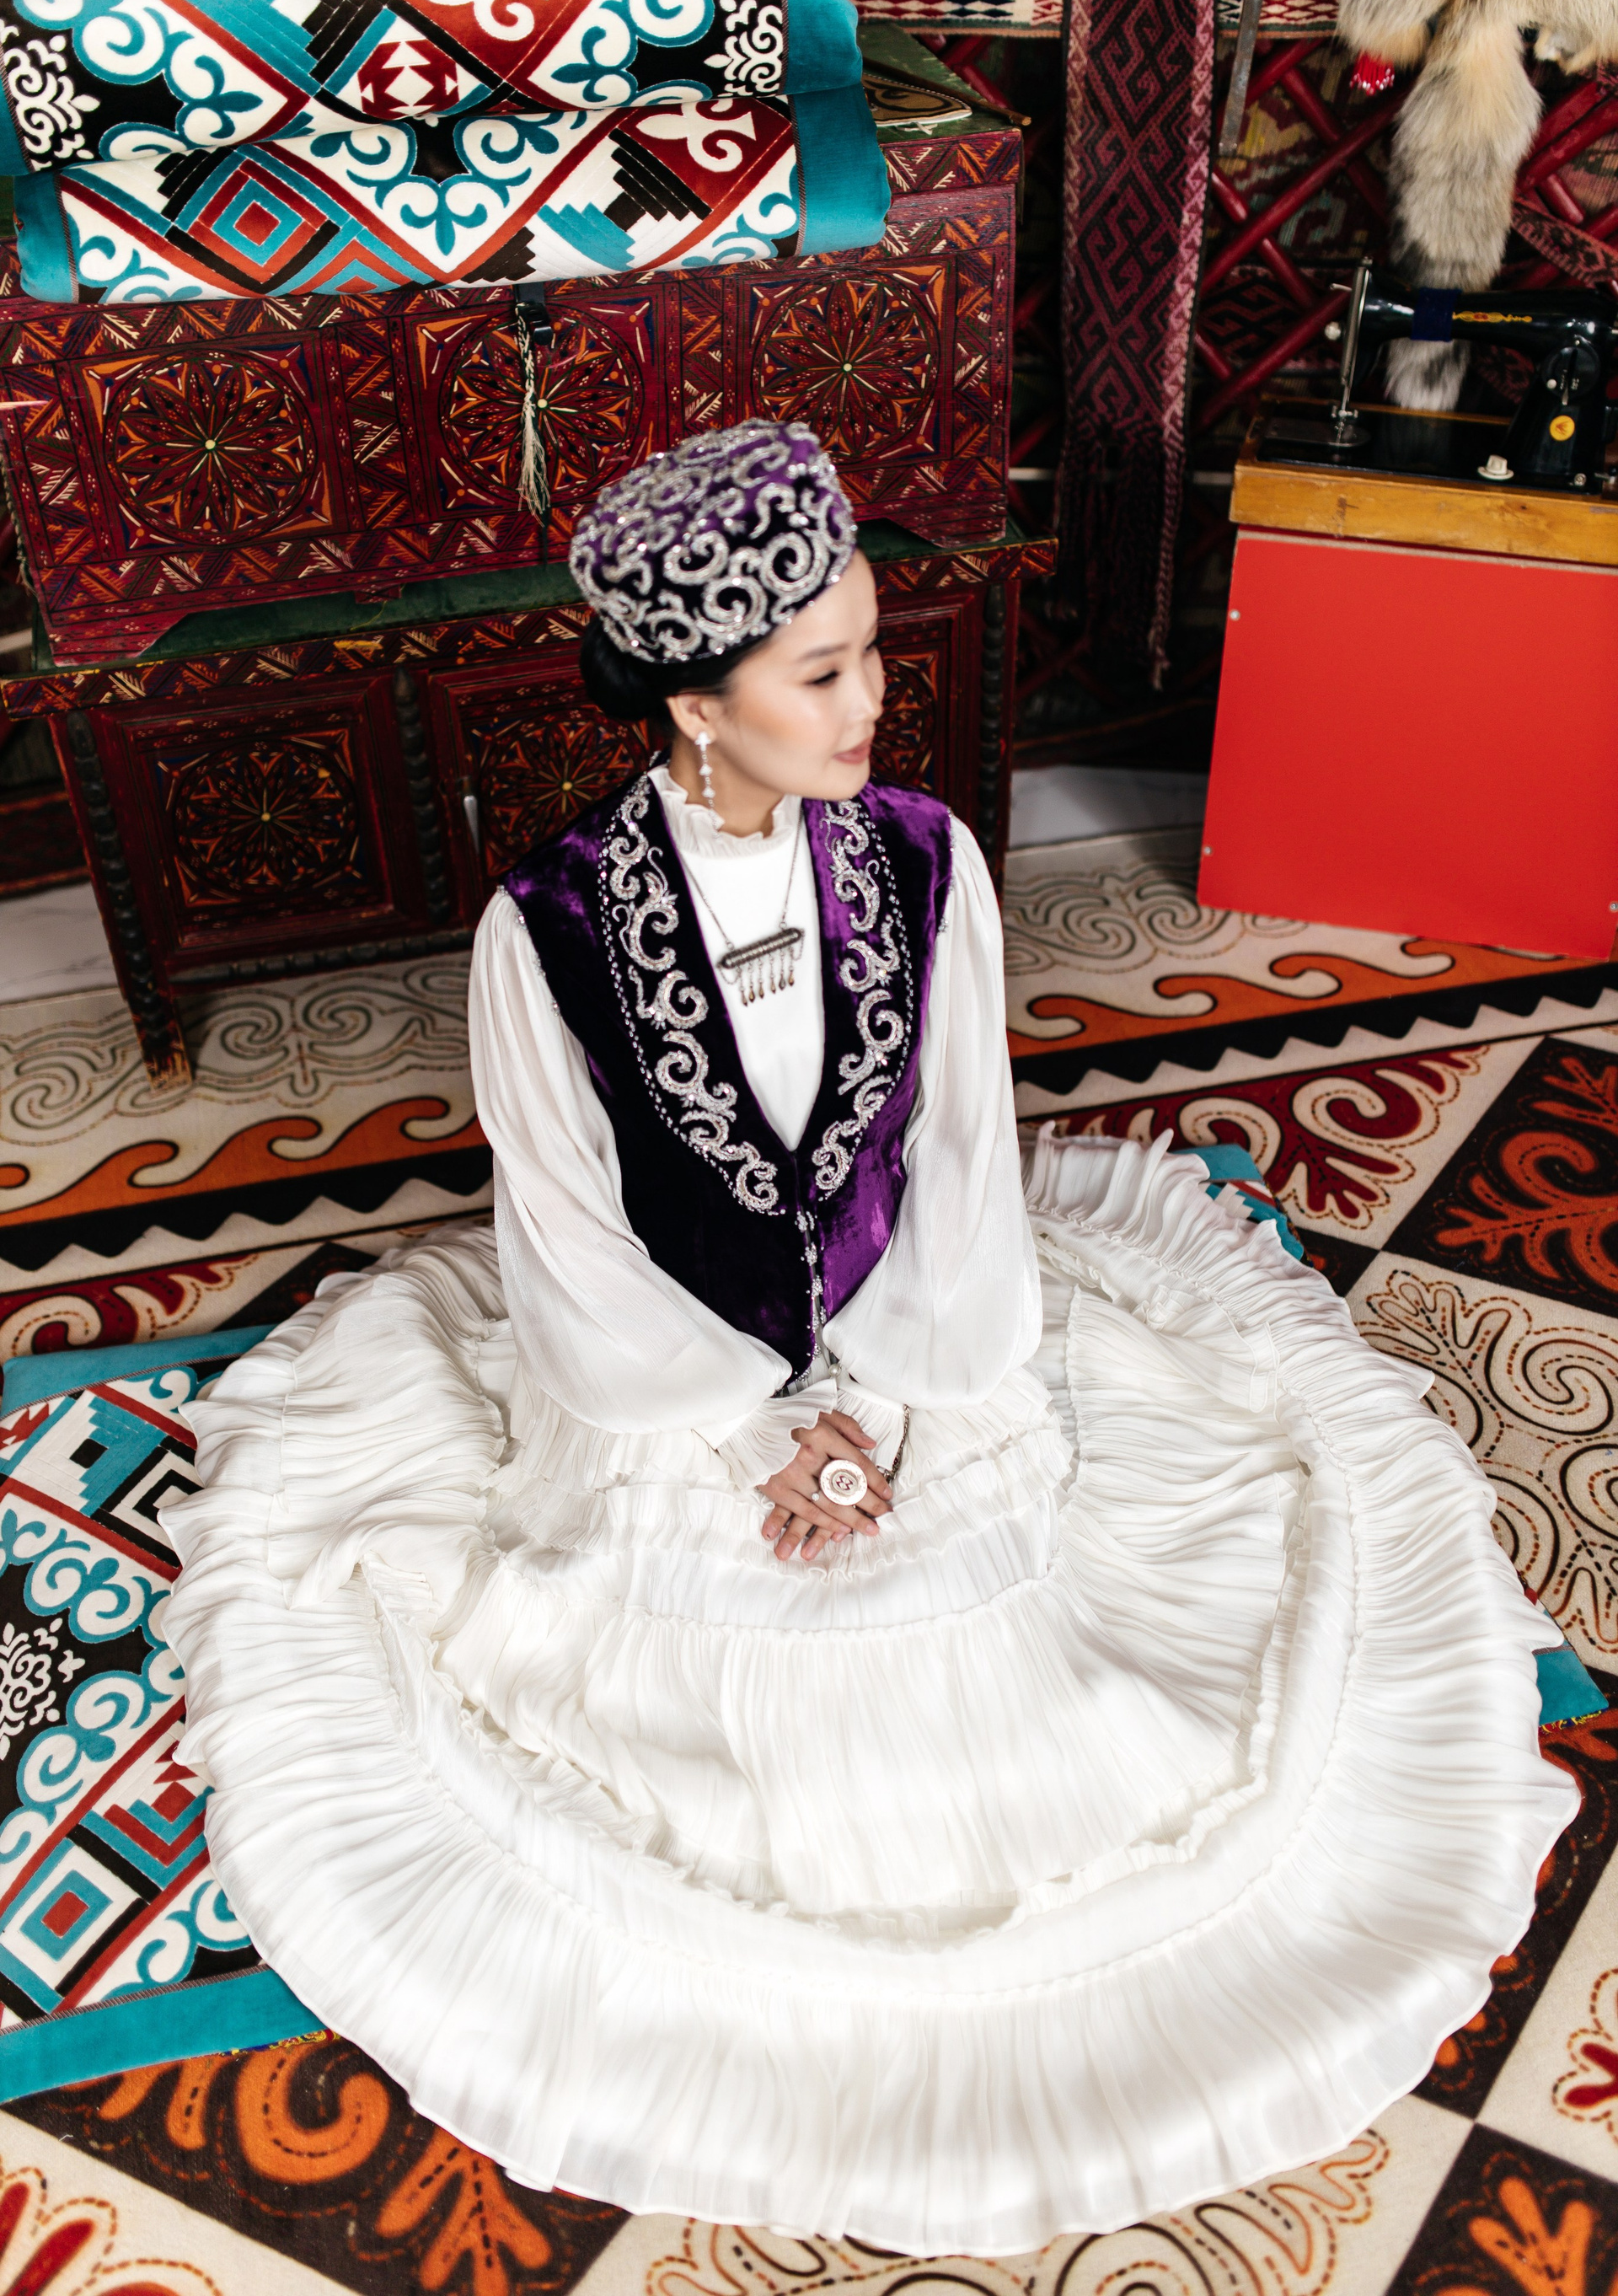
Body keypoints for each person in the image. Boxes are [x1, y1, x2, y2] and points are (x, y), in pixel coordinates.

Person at [168, 420, 1575, 2256]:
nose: (873, 704)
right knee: (721, 1685)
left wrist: (896, 1414)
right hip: (658, 1377)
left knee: (1029, 1670)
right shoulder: (549, 925)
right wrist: (761, 1437)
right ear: (695, 702)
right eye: (820, 673)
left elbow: (962, 1154)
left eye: (872, 656)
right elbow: (567, 1236)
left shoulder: (926, 860)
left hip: (922, 1337)